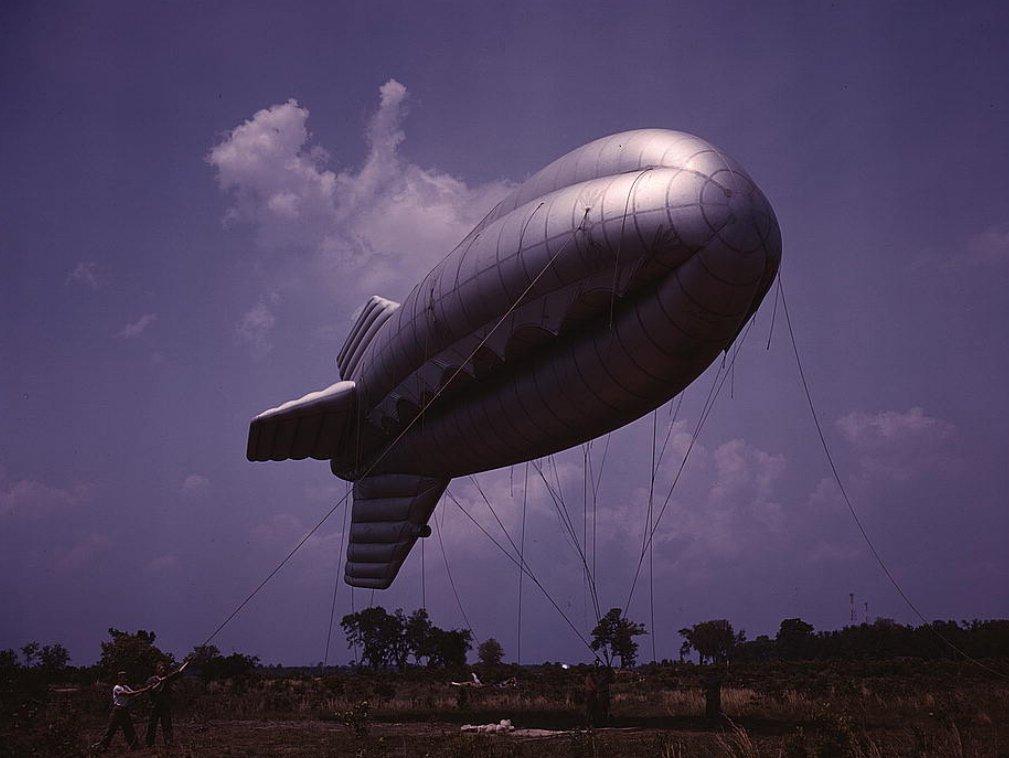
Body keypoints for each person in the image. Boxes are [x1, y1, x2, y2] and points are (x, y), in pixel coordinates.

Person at [91, 671, 154, 751]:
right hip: (117, 711)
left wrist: (145, 691)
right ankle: (101, 747)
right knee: (111, 730)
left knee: (129, 729)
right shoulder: (117, 688)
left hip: (124, 711)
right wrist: (144, 689)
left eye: (125, 677)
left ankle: (135, 747)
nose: (125, 679)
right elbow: (128, 694)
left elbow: (133, 695)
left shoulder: (126, 686)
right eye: (123, 677)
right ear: (119, 678)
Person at [145, 657, 192, 747]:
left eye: (163, 669)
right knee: (152, 725)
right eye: (160, 668)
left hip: (165, 705)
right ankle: (149, 743)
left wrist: (187, 662)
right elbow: (152, 690)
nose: (163, 670)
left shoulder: (167, 678)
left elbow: (179, 672)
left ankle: (169, 742)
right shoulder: (151, 680)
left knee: (167, 724)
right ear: (157, 670)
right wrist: (160, 682)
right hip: (154, 706)